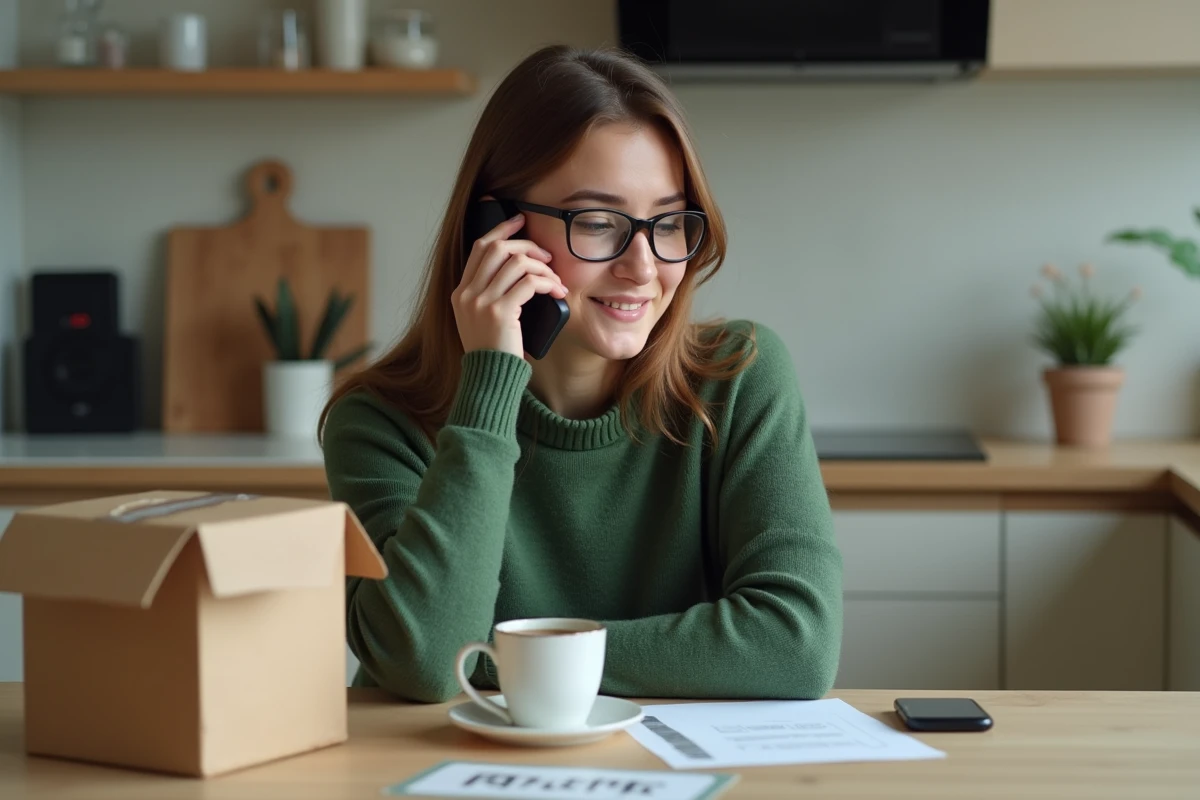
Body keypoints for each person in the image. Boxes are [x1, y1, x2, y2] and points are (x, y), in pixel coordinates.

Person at [320, 45, 842, 703]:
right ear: (495, 229)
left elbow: (797, 646)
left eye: (668, 223)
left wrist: (511, 660)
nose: (643, 267)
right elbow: (426, 660)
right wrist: (490, 382)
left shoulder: (738, 377)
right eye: (598, 222)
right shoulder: (380, 420)